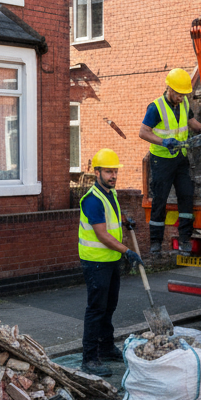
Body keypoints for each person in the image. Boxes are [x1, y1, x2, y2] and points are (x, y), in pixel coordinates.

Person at [78, 149, 146, 377]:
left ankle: (106, 348)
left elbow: (113, 220)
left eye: (115, 171)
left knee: (109, 307)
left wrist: (125, 221)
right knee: (96, 310)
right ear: (97, 172)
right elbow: (102, 235)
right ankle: (89, 359)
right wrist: (128, 251)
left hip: (110, 261)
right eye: (108, 171)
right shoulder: (93, 200)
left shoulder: (110, 195)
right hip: (96, 263)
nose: (113, 175)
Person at [137, 68, 201, 256]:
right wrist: (164, 142)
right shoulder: (155, 107)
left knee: (186, 195)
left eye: (184, 95)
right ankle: (156, 243)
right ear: (170, 89)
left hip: (180, 158)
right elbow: (143, 132)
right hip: (161, 160)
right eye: (179, 94)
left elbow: (192, 122)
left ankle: (185, 239)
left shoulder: (183, 105)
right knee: (160, 200)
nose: (182, 98)